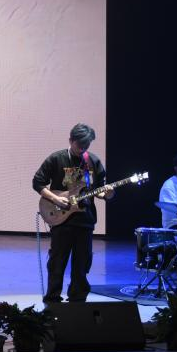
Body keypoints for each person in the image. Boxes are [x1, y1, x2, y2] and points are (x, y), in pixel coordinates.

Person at [33, 123, 114, 304]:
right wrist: (55, 199)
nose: (83, 148)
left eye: (87, 145)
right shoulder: (57, 159)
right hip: (62, 221)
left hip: (85, 220)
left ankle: (78, 300)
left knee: (82, 264)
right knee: (57, 262)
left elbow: (99, 190)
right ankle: (52, 299)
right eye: (80, 145)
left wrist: (108, 194)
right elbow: (37, 183)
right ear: (71, 140)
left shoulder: (92, 161)